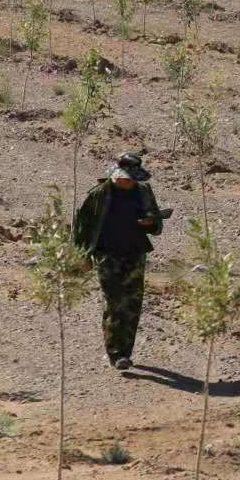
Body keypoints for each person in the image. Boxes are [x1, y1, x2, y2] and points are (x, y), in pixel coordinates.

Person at [73, 151, 165, 371]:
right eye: (126, 178)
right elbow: (81, 227)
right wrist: (82, 255)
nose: (129, 182)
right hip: (107, 255)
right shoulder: (99, 194)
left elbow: (156, 222)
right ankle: (115, 353)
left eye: (132, 178)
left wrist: (150, 223)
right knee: (114, 302)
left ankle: (126, 353)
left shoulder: (142, 192)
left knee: (132, 304)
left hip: (135, 254)